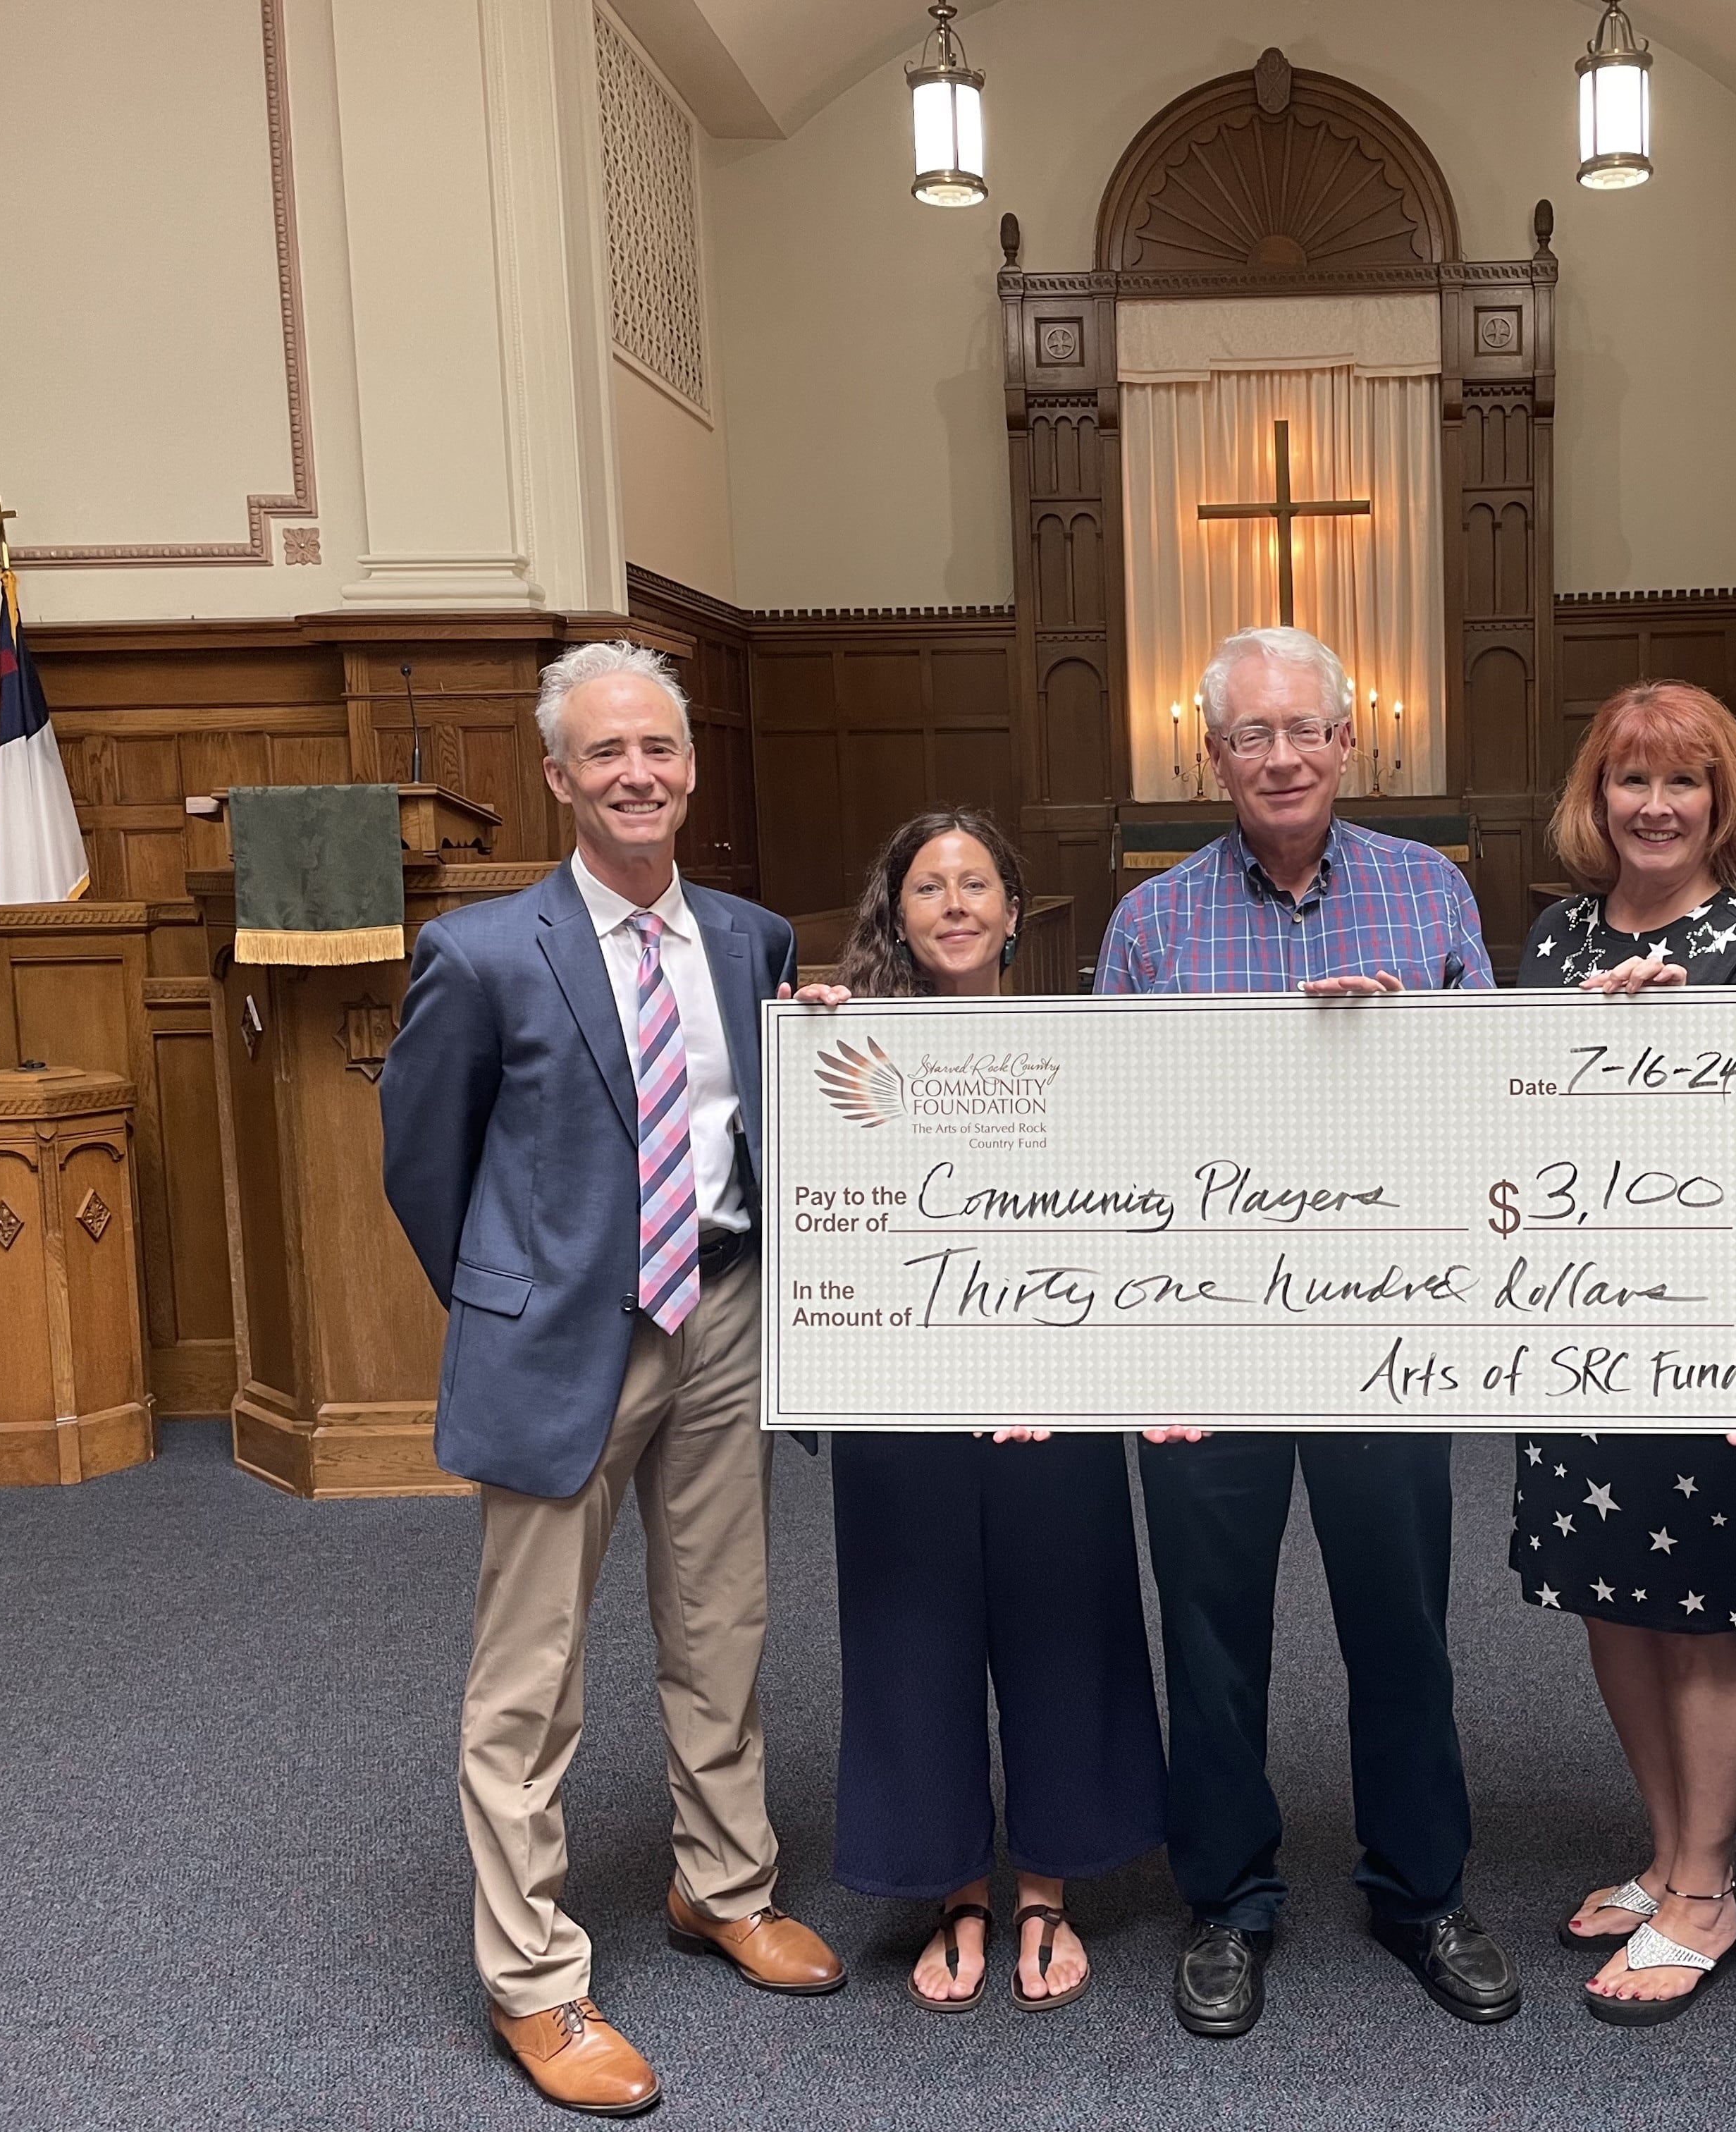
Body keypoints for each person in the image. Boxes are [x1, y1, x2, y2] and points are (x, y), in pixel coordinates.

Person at [383, 641, 839, 2117]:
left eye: (660, 748)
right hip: (564, 1339)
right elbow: (423, 1162)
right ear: (559, 777)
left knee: (723, 1621)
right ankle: (532, 1978)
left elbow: (765, 1127)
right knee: (531, 1676)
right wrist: (511, 1298)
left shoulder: (756, 940)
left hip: (725, 1308)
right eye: (606, 754)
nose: (637, 773)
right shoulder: (482, 953)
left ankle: (726, 1884)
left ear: (690, 766)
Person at [1097, 624, 1520, 2040]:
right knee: (1213, 1631)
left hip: (1382, 1331)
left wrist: (1410, 1054)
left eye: (1304, 731)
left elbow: (1498, 1105)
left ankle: (1422, 1890)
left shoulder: (1429, 893)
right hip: (1208, 1332)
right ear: (1208, 755)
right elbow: (1107, 1142)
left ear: (1351, 743)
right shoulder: (1151, 921)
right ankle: (1226, 1902)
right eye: (1250, 736)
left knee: (1400, 1622)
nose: (1280, 756)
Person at [801, 810, 1166, 2014]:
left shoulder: (1085, 1047)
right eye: (926, 888)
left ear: (1017, 911)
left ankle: (1050, 1888)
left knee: (1069, 1624)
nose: (953, 905)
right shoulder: (842, 1053)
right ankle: (954, 1888)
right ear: (894, 914)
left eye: (976, 885)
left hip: (1054, 1391)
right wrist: (805, 1048)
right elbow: (814, 1221)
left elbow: (1132, 1216)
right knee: (912, 1633)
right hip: (901, 1397)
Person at [1510, 681, 1736, 2026]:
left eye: (1683, 781)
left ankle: (1707, 1884)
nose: (1655, 805)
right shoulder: (1552, 937)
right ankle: (1661, 1843)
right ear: (1598, 796)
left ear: (1721, 801)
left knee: (1697, 1611)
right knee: (1608, 1597)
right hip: (1572, 1331)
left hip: (1700, 1341)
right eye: (1632, 781)